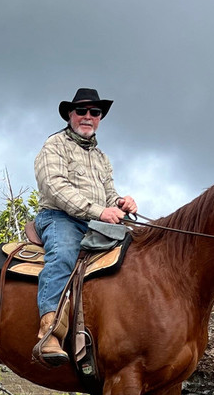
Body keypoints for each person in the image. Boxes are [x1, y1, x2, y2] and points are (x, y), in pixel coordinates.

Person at [32, 88, 137, 367]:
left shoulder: (102, 158)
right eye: (82, 111)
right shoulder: (54, 145)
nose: (88, 117)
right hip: (59, 217)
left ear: (100, 118)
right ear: (70, 115)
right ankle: (50, 332)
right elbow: (55, 188)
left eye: (95, 112)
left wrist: (120, 202)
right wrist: (100, 211)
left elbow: (108, 193)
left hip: (95, 220)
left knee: (137, 253)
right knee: (64, 253)